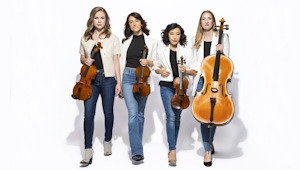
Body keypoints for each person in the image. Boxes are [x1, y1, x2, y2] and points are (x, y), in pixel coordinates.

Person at [78, 6, 121, 167]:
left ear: (106, 20)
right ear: (92, 19)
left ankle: (107, 140)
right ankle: (88, 148)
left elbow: (116, 61)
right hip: (90, 80)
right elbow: (82, 56)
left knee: (108, 113)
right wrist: (84, 60)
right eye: (96, 18)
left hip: (108, 79)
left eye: (102, 18)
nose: (99, 20)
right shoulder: (85, 37)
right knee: (88, 114)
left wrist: (119, 83)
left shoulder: (113, 38)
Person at [154, 23, 197, 166]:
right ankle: (172, 150)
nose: (174, 37)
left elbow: (194, 71)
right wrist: (161, 72)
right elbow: (155, 67)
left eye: (177, 34)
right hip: (166, 86)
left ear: (181, 36)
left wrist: (186, 70)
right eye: (172, 33)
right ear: (167, 35)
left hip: (181, 88)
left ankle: (173, 144)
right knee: (171, 116)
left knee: (177, 117)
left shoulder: (187, 51)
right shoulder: (161, 51)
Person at [191, 10, 230, 167]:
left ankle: (209, 142)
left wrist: (222, 51)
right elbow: (194, 62)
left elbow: (227, 63)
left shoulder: (223, 37)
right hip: (202, 82)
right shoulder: (196, 39)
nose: (206, 21)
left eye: (209, 19)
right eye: (203, 19)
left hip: (216, 81)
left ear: (214, 22)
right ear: (200, 22)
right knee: (203, 116)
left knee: (214, 116)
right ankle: (208, 149)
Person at [119, 12, 158, 163]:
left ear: (142, 23)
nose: (134, 24)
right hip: (128, 77)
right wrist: (119, 84)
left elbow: (156, 63)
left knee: (141, 115)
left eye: (136, 21)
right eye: (131, 22)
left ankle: (137, 145)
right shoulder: (125, 42)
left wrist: (148, 62)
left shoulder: (152, 42)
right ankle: (137, 151)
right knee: (133, 114)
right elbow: (121, 64)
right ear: (128, 25)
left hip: (144, 78)